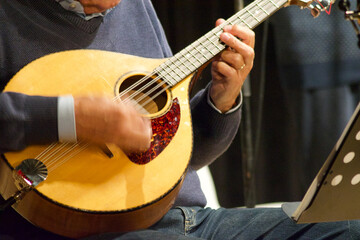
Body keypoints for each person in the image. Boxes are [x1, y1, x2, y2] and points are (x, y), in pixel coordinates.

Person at [0, 0, 359, 239]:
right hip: (100, 230)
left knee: (346, 228)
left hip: (191, 223)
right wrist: (71, 118)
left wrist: (221, 99)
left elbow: (177, 157)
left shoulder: (133, 5)